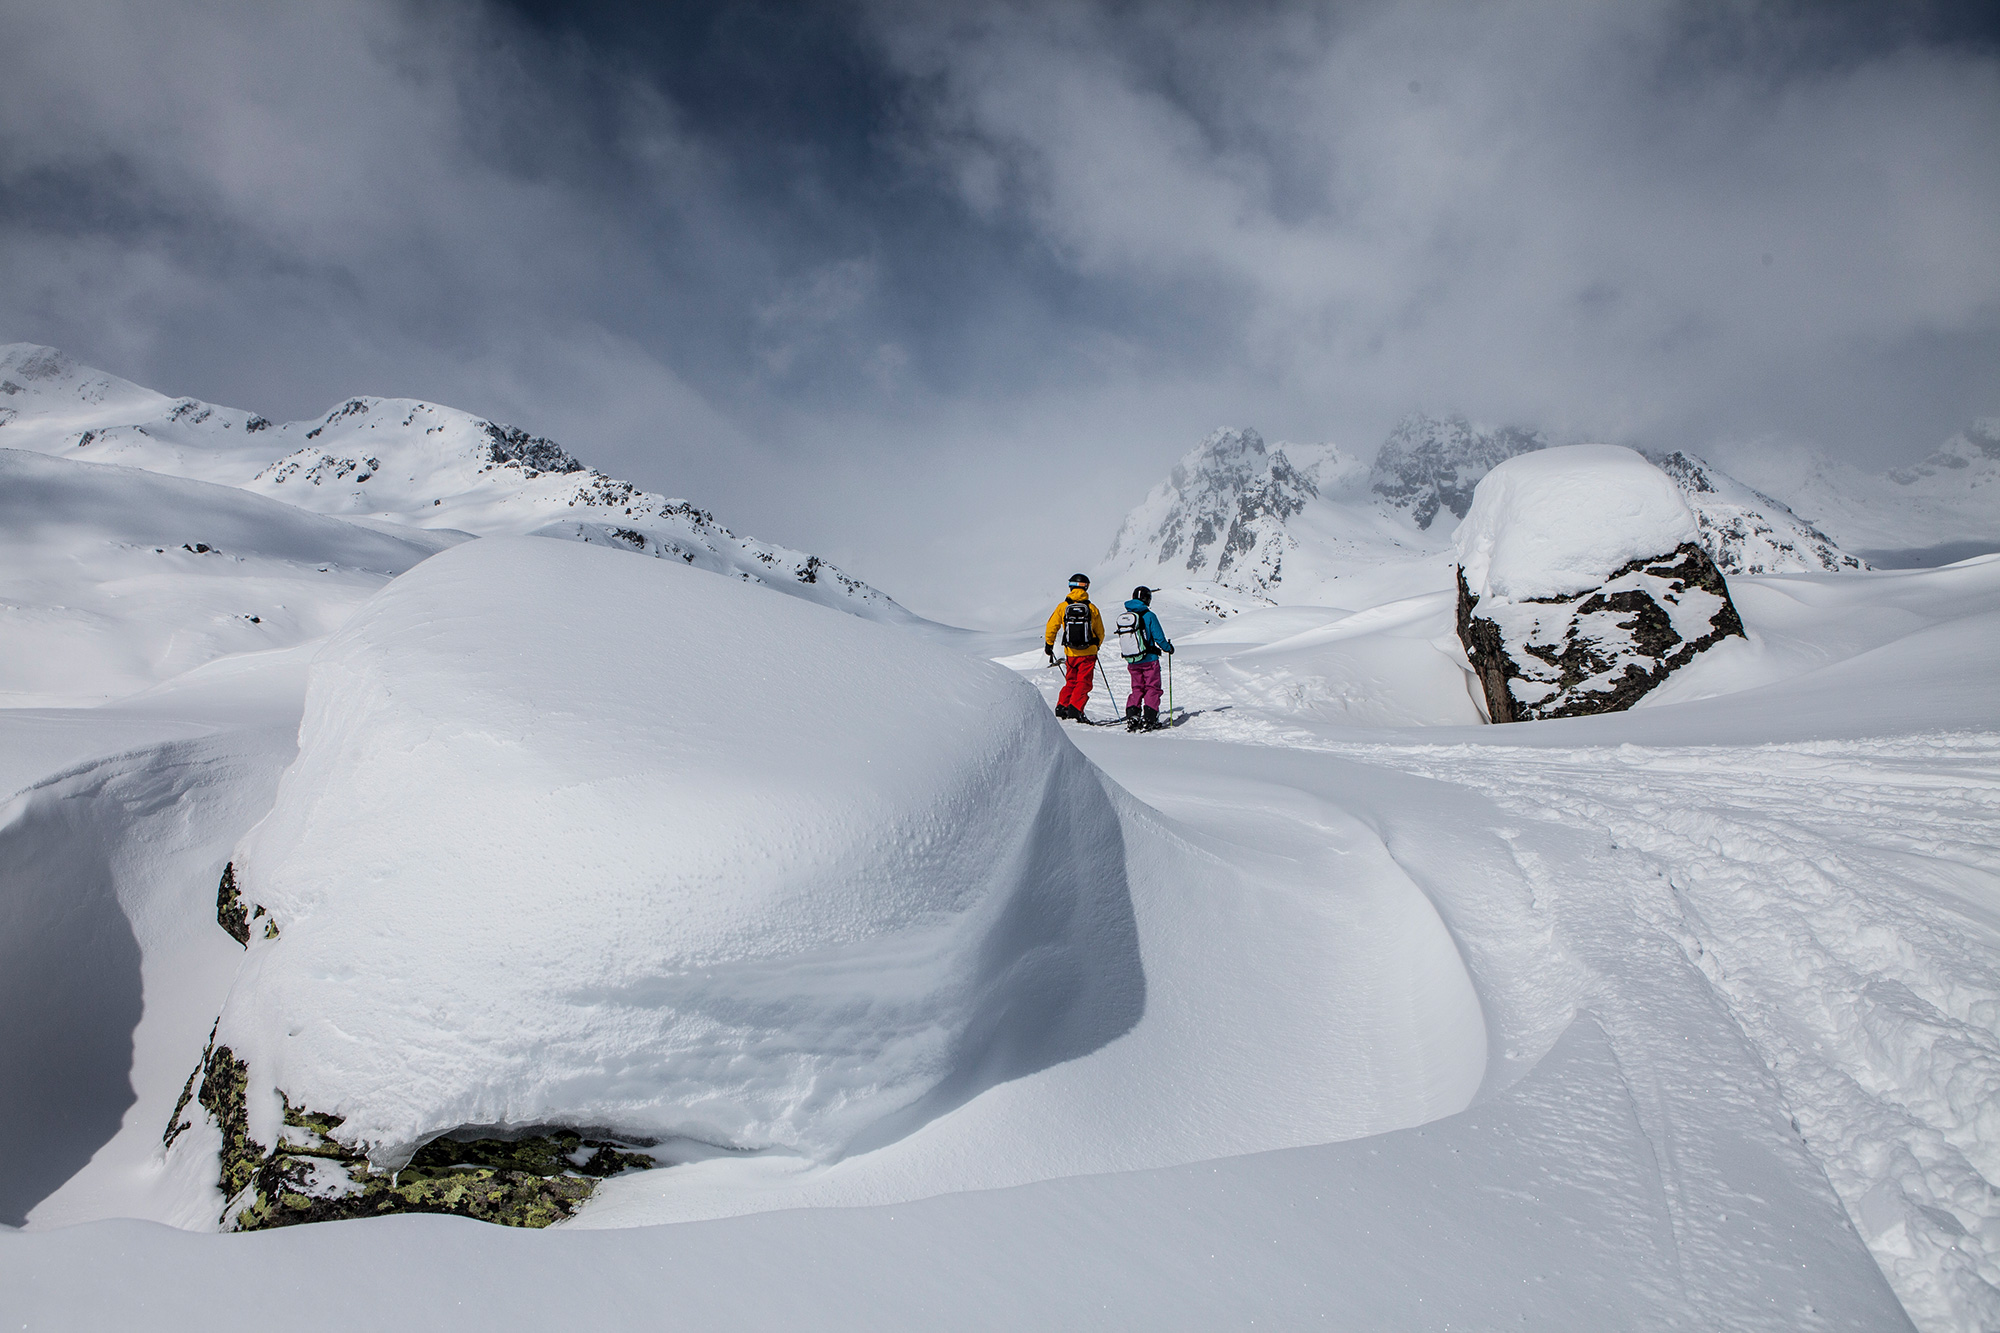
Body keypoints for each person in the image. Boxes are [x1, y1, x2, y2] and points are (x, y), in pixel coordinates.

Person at [1044, 573, 1104, 721]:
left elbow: (1052, 626)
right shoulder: (1091, 608)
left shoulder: (1063, 607)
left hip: (1071, 653)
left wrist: (1049, 644)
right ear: (1086, 587)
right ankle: (1075, 710)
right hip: (1088, 652)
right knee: (1083, 682)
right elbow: (1100, 632)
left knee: (1071, 681)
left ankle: (1062, 706)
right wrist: (1096, 645)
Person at [1118, 586, 1174, 731]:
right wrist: (1168, 648)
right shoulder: (1149, 616)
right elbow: (1159, 638)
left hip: (1133, 660)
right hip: (1149, 660)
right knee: (1152, 688)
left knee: (1137, 688)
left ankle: (1132, 716)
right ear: (1147, 599)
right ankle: (1149, 718)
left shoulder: (1127, 616)